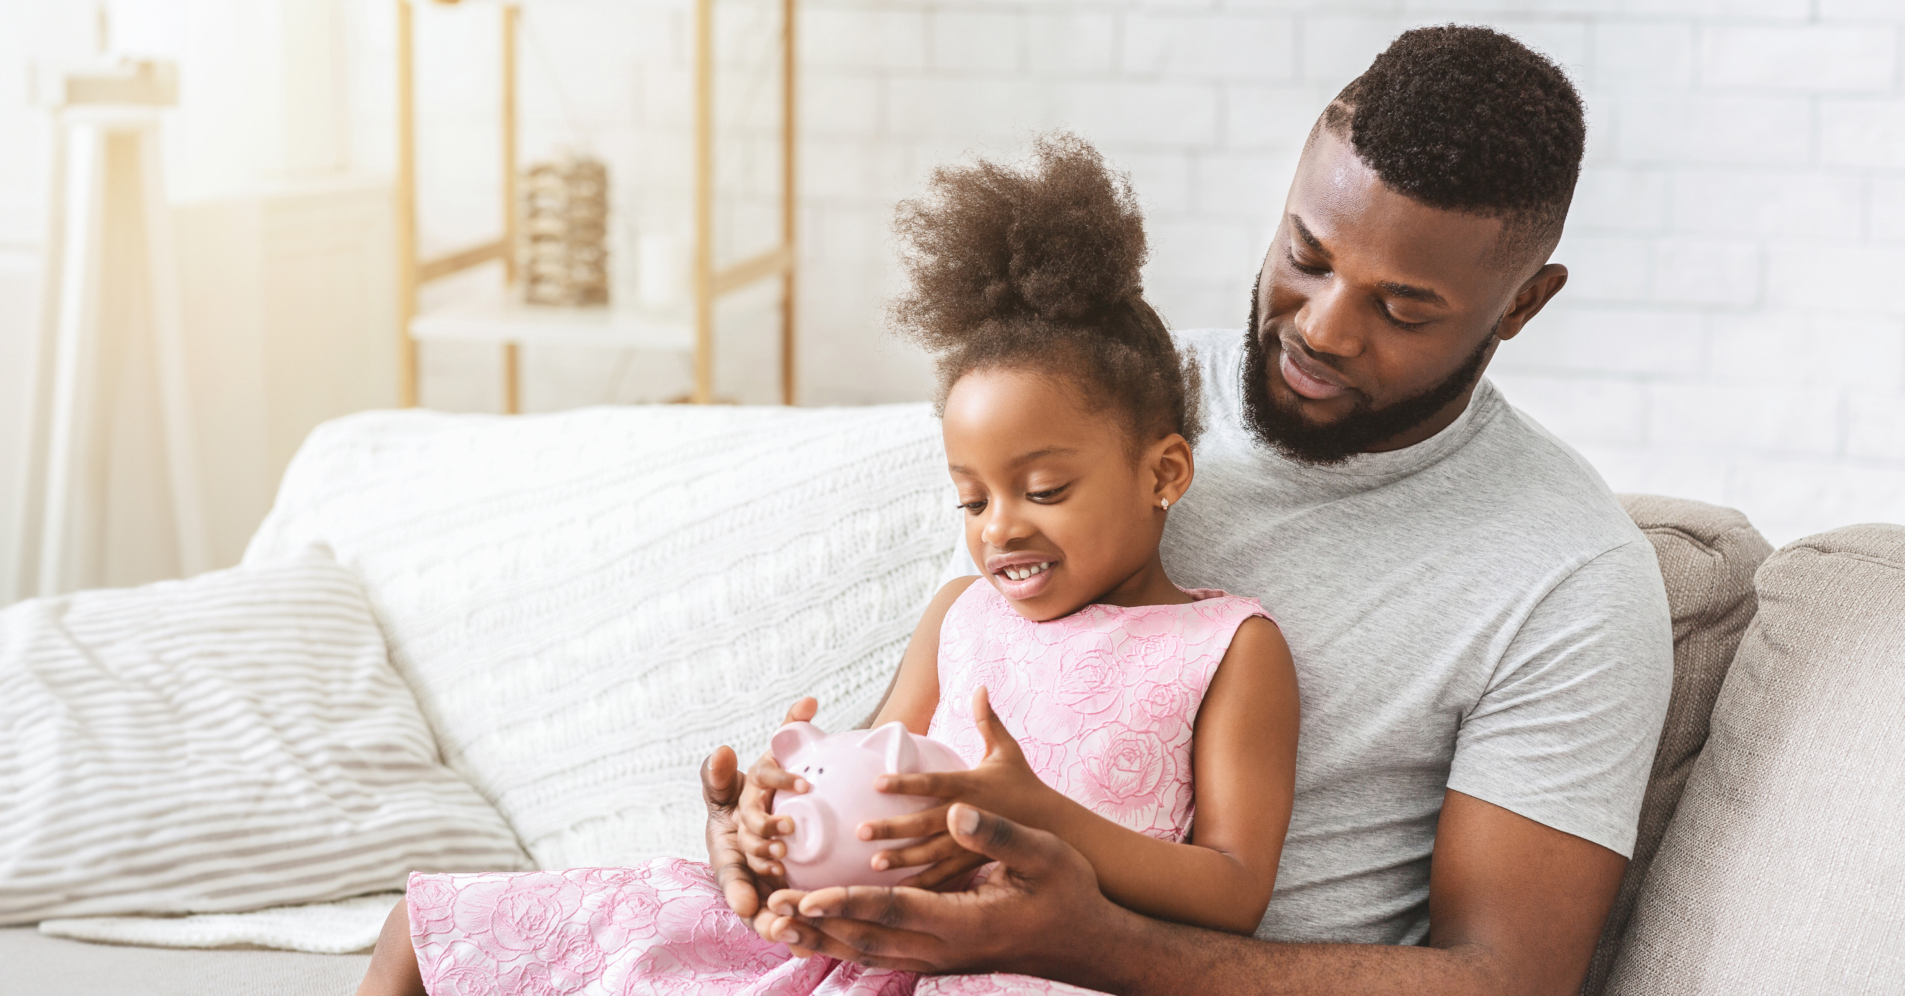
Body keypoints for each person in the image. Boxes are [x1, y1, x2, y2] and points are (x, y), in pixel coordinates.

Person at [713, 25, 1674, 996]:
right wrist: (773, 837)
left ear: (1520, 306)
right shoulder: (1096, 402)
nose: (1322, 328)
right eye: (1306, 255)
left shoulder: (1570, 577)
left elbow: (1505, 980)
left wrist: (1082, 940)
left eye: (1402, 309)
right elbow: (916, 734)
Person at [357, 134, 1301, 996]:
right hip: (858, 948)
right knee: (426, 927)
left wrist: (1038, 817)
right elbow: (867, 778)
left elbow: (1231, 893)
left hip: (1030, 969)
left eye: (1044, 489)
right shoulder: (962, 615)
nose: (999, 527)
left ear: (1164, 472)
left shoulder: (1226, 645)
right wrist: (776, 817)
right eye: (971, 499)